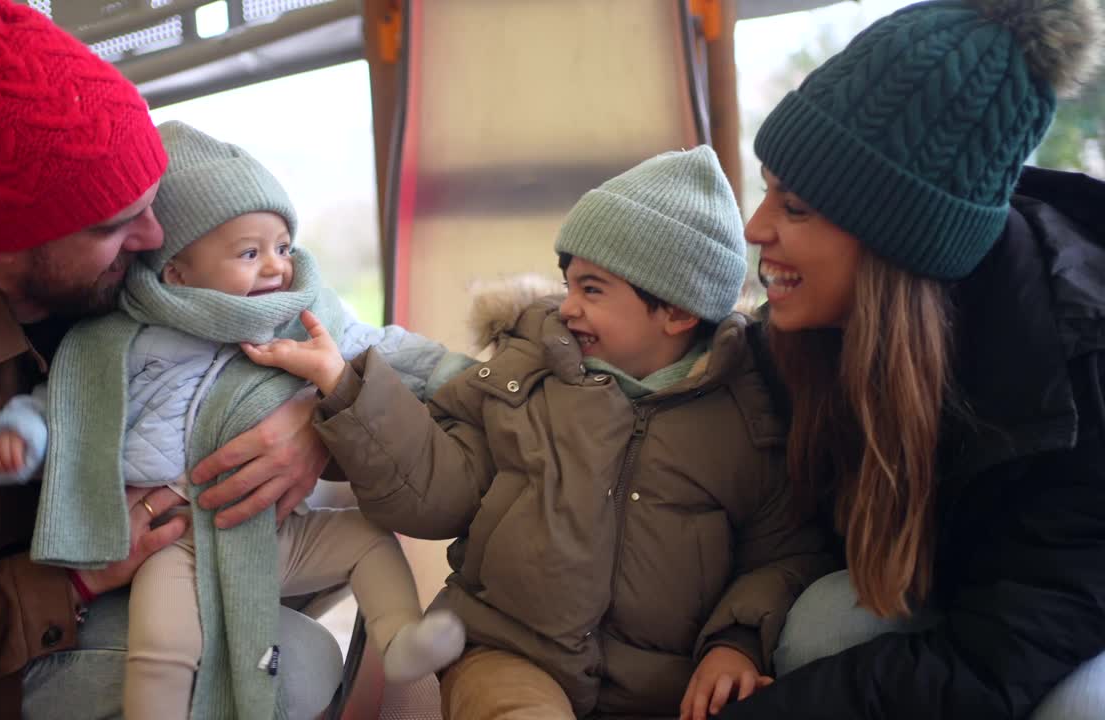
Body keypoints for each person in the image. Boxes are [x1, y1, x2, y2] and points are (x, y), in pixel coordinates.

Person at [0, 2, 336, 719]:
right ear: (12, 238)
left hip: (156, 566)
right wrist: (77, 579)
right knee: (296, 665)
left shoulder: (115, 273)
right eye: (115, 224)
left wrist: (312, 421)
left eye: (151, 203)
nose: (153, 237)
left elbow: (308, 334)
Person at [248, 147, 834, 719]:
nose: (568, 307)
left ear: (678, 312)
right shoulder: (523, 380)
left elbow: (783, 554)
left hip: (665, 683)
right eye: (568, 283)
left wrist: (736, 643)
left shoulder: (745, 420)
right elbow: (435, 491)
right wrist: (346, 388)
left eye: (593, 289)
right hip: (508, 651)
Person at [0, 121, 468, 720]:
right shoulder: (124, 340)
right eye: (249, 252)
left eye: (283, 247)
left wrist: (460, 373)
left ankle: (401, 638)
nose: (276, 268)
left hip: (274, 530)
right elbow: (69, 405)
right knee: (166, 643)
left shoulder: (301, 319)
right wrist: (21, 438)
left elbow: (379, 347)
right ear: (176, 271)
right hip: (175, 538)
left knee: (368, 538)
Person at [712, 0, 1105, 718]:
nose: (755, 227)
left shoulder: (1079, 378)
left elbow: (999, 660)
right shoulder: (814, 338)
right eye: (767, 190)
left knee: (1083, 704)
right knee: (829, 620)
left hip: (1065, 635)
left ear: (899, 243)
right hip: (970, 604)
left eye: (794, 207)